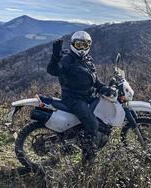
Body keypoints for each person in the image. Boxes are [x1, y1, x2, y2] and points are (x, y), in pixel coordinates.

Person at [47, 31, 112, 163]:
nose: (82, 48)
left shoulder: (87, 60)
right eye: (78, 45)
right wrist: (55, 58)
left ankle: (84, 137)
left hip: (87, 96)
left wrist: (103, 87)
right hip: (73, 98)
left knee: (99, 118)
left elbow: (95, 80)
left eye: (85, 45)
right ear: (72, 45)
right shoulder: (67, 59)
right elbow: (54, 70)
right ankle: (88, 161)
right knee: (93, 125)